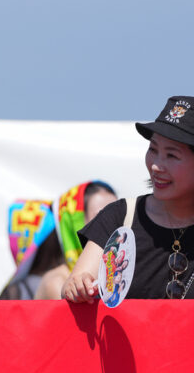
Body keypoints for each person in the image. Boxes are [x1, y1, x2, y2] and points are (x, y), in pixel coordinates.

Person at [65, 95, 194, 301]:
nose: (156, 166)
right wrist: (78, 286)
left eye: (172, 155)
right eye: (153, 149)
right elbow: (76, 282)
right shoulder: (120, 217)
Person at [33, 181, 116, 300]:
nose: (113, 224)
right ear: (75, 225)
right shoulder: (57, 284)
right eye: (101, 218)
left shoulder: (116, 273)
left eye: (117, 215)